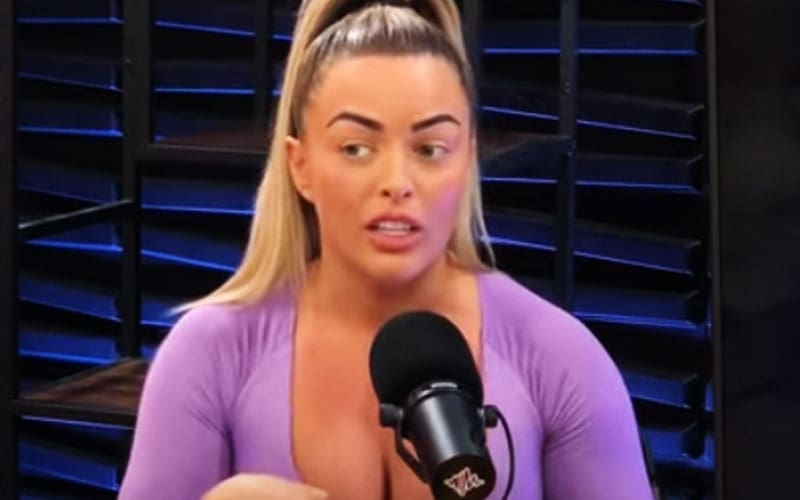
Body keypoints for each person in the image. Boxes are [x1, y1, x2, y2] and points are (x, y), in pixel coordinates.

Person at [119, 0, 652, 499]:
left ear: (467, 160)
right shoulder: (210, 354)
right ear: (300, 165)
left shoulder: (559, 358)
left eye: (429, 149)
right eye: (356, 148)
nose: (397, 182)